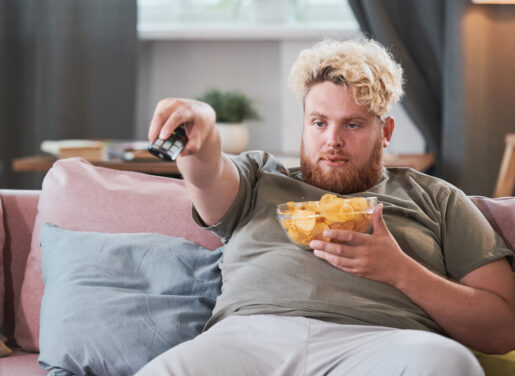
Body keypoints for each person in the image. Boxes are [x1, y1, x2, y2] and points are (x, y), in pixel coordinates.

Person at [136, 37, 515, 375]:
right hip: (248, 340)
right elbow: (207, 175)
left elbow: (503, 326)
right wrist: (202, 130)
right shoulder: (258, 178)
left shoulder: (437, 198)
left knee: (448, 364)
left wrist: (400, 271)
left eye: (352, 125)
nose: (332, 141)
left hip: (383, 343)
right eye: (319, 123)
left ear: (385, 133)